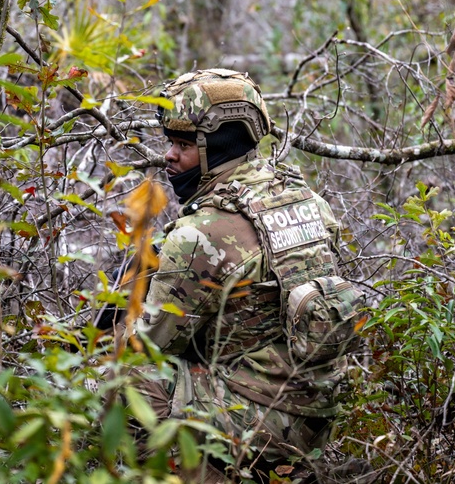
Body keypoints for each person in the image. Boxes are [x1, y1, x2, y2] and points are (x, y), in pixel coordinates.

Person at [124, 68, 360, 478]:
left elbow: (152, 345)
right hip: (315, 415)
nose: (170, 156)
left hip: (260, 424)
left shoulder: (200, 235)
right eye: (170, 142)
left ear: (216, 148)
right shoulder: (305, 200)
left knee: (127, 378)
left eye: (183, 144)